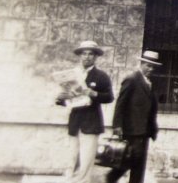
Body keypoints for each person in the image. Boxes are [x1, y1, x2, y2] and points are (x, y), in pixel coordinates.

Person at [56, 41, 114, 183]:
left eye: (91, 54)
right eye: (84, 53)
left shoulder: (101, 76)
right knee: (71, 158)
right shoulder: (72, 74)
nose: (87, 57)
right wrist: (61, 98)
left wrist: (94, 94)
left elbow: (109, 97)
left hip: (91, 123)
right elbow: (66, 100)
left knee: (86, 160)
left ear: (95, 57)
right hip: (75, 122)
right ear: (80, 56)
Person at [107, 51, 161, 183]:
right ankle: (110, 178)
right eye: (148, 65)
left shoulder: (149, 82)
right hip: (131, 129)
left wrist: (153, 127)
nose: (151, 69)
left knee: (138, 163)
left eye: (153, 67)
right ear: (141, 64)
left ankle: (114, 178)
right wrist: (117, 126)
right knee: (129, 160)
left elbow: (151, 107)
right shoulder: (132, 79)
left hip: (144, 130)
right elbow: (121, 103)